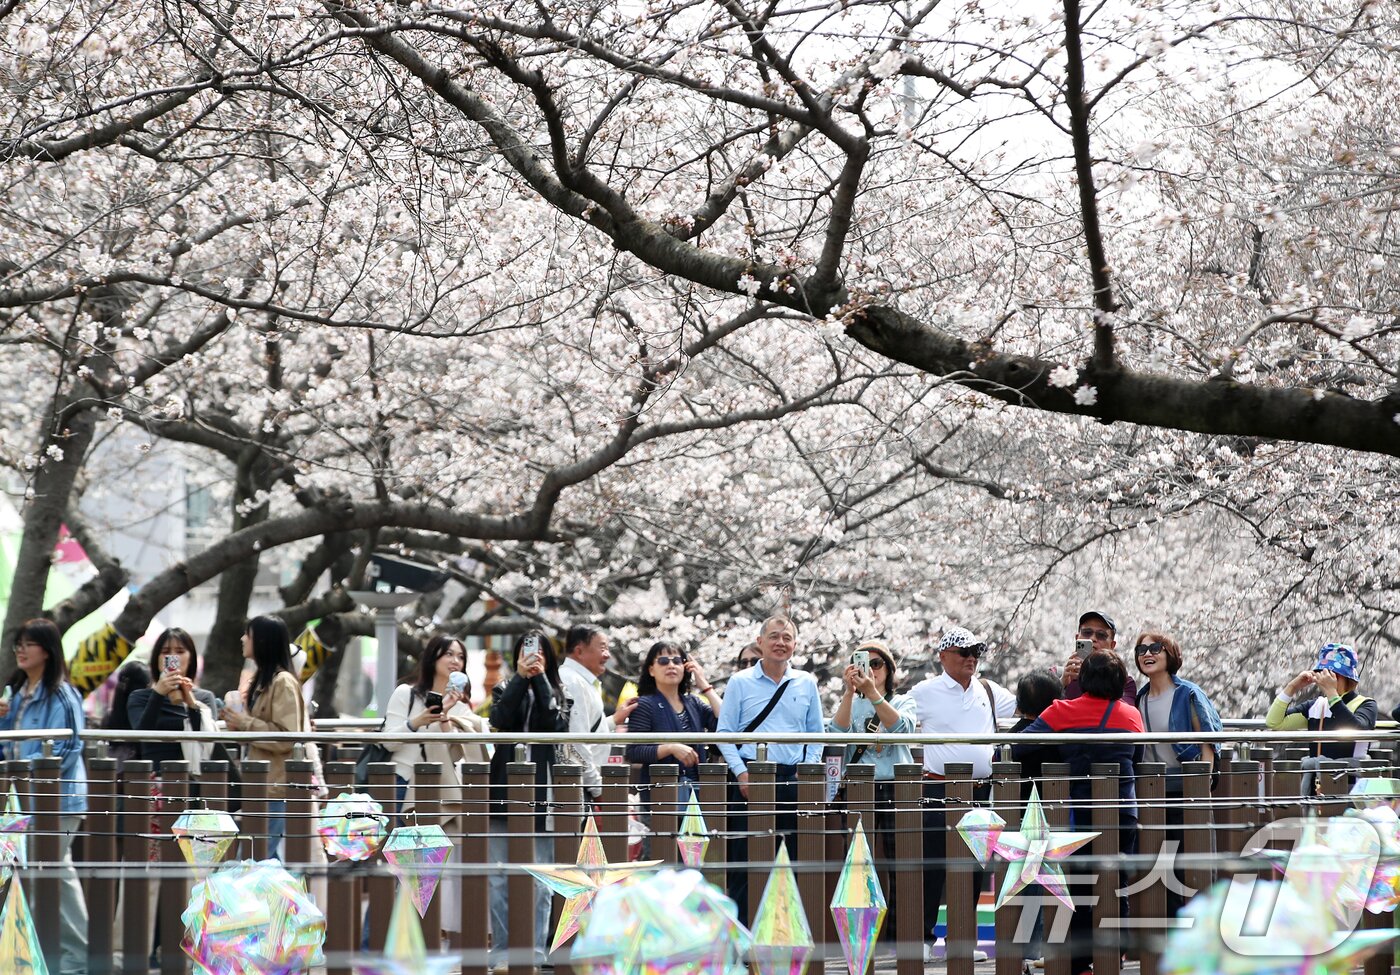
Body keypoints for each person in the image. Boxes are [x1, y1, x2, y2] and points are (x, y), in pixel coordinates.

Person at [1013, 651, 1144, 975]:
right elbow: (1138, 758)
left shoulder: (1062, 710)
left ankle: (1080, 961)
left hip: (1079, 812)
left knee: (1081, 885)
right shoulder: (1131, 715)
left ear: (1083, 680)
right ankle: (1114, 954)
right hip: (1123, 811)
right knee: (1116, 881)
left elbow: (1019, 745)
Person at [908, 626, 1015, 962]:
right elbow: (898, 719)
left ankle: (963, 938)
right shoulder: (924, 691)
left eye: (976, 652)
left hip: (980, 791)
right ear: (943, 657)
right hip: (938, 788)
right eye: (964, 652)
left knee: (974, 867)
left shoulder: (989, 690)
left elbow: (1029, 702)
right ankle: (924, 939)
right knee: (932, 863)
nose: (971, 658)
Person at [714, 615, 824, 919]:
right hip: (750, 776)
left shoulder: (806, 682)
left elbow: (816, 733)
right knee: (745, 862)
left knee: (791, 860)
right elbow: (724, 733)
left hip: (791, 778)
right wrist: (741, 773)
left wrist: (808, 768)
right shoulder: (740, 681)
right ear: (760, 642)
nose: (780, 643)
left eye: (787, 638)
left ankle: (786, 933)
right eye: (774, 636)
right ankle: (744, 934)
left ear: (795, 645)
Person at [382, 634, 490, 944]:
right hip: (404, 786)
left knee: (428, 872)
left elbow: (464, 752)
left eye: (460, 656)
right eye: (448, 654)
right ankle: (381, 943)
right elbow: (388, 741)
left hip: (439, 795)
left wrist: (448, 717)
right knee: (401, 871)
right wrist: (417, 721)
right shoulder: (406, 694)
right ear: (433, 658)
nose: (455, 661)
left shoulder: (462, 708)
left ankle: (420, 942)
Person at [0, 619, 90, 974]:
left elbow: (68, 746)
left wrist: (25, 772)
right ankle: (51, 956)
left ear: (48, 650)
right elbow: (7, 747)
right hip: (26, 802)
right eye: (18, 644)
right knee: (42, 875)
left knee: (54, 874)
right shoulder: (17, 694)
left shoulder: (62, 694)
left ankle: (77, 958)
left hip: (58, 801)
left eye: (28, 643)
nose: (20, 650)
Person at [488, 630, 568, 968]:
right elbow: (499, 720)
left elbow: (555, 726)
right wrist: (521, 679)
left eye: (538, 651)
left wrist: (540, 681)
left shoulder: (560, 692)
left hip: (542, 792)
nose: (532, 656)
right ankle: (502, 948)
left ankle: (535, 950)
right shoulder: (505, 687)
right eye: (526, 650)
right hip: (502, 790)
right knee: (497, 877)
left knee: (541, 880)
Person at [1131, 631, 1221, 918]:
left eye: (1155, 648)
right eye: (1141, 650)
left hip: (1186, 788)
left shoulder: (1188, 693)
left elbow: (1208, 741)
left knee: (1190, 863)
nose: (1147, 654)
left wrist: (1202, 785)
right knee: (1160, 864)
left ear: (1170, 654)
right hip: (1151, 791)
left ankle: (1199, 928)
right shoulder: (1140, 698)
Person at [221, 615, 306, 858]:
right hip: (261, 786)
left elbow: (286, 736)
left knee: (253, 859)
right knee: (262, 860)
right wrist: (237, 724)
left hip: (273, 788)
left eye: (248, 634)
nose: (242, 639)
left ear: (262, 641)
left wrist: (245, 723)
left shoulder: (283, 682)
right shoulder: (265, 680)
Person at [1266, 643, 1376, 794]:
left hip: (1352, 787)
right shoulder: (1316, 705)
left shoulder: (1366, 704)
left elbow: (1358, 729)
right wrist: (1292, 687)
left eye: (1329, 673)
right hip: (1316, 787)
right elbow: (1274, 722)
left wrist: (1332, 694)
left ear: (1342, 676)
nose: (1322, 678)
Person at [1008, 671, 1064, 965]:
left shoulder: (1011, 738)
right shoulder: (1060, 737)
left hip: (1020, 820)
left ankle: (1028, 951)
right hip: (1058, 819)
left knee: (1026, 885)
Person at [624, 640, 722, 795]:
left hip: (697, 788)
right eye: (663, 661)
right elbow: (634, 751)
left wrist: (705, 686)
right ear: (651, 670)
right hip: (661, 791)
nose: (671, 666)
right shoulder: (644, 705)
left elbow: (724, 723)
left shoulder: (693, 702)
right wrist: (671, 748)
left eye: (677, 661)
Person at [558, 625, 638, 801]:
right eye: (602, 648)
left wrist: (614, 720)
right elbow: (576, 742)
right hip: (577, 784)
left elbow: (585, 730)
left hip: (581, 780)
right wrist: (597, 788)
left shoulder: (579, 680)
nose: (607, 655)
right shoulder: (573, 682)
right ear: (579, 651)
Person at [127, 627, 221, 775]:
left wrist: (191, 703)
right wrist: (158, 694)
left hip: (194, 777)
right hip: (156, 778)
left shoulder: (204, 697)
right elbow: (140, 736)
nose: (172, 657)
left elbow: (207, 741)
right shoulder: (140, 697)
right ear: (156, 659)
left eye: (180, 651)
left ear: (191, 658)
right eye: (165, 652)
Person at [1058, 610, 1136, 706]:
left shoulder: (1124, 682)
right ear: (1077, 638)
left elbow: (1124, 711)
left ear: (1112, 645)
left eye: (1101, 635)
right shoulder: (1056, 675)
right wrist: (1061, 685)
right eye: (1087, 632)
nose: (1093, 638)